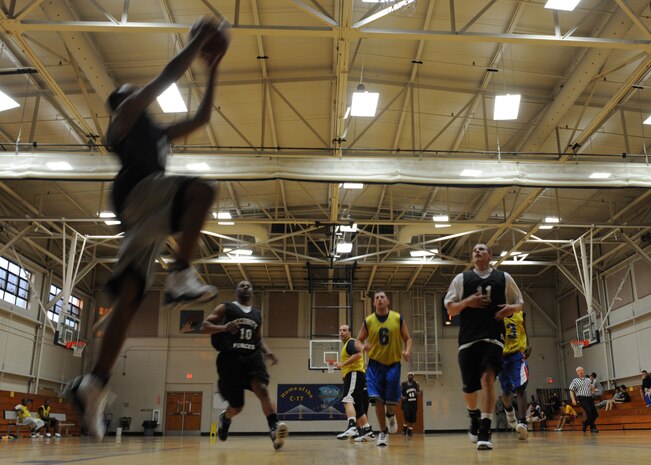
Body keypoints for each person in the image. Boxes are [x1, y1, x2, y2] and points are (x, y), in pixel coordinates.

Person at [64, 16, 227, 440]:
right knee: (203, 191)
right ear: (123, 102)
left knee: (131, 296)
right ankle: (180, 273)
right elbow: (167, 75)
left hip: (143, 215)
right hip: (139, 194)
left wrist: (213, 71)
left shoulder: (158, 133)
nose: (141, 94)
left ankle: (94, 384)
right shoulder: (123, 121)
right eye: (134, 93)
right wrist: (195, 43)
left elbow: (202, 119)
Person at [444, 243, 524, 450]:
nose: (477, 251)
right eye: (474, 250)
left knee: (488, 378)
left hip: (493, 337)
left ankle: (485, 430)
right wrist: (466, 302)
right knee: (470, 389)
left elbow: (519, 304)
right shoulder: (462, 279)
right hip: (468, 339)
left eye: (481, 249)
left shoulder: (503, 277)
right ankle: (473, 415)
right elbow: (450, 306)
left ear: (490, 255)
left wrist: (511, 309)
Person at [200, 280, 288, 450]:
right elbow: (204, 326)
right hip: (230, 359)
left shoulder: (257, 314)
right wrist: (224, 327)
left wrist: (267, 352)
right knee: (237, 406)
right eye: (242, 285)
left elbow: (259, 339)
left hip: (252, 357)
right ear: (236, 291)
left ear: (252, 291)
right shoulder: (225, 308)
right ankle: (225, 419)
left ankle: (274, 427)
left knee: (262, 388)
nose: (246, 287)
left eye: (248, 285)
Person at [355, 290, 412, 447]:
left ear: (387, 301)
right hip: (374, 366)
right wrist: (363, 347)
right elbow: (357, 341)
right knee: (377, 400)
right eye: (377, 298)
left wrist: (407, 351)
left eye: (382, 297)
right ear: (374, 303)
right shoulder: (368, 321)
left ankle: (390, 416)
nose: (379, 300)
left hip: (393, 365)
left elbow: (408, 338)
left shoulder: (397, 318)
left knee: (391, 404)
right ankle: (383, 432)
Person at [334, 324, 374, 442]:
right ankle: (368, 432)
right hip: (353, 375)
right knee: (357, 406)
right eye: (340, 330)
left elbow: (358, 355)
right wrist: (344, 373)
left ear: (350, 332)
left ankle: (352, 427)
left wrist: (342, 365)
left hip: (355, 374)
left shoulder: (351, 342)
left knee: (347, 399)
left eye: (344, 330)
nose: (341, 332)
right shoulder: (347, 345)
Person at [499, 309, 531, 440]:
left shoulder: (520, 313)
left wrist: (528, 344)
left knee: (521, 388)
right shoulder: (497, 313)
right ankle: (509, 410)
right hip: (502, 355)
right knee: (506, 392)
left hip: (518, 354)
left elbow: (524, 328)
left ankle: (523, 422)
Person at [569, 366, 599, 433]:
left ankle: (585, 423)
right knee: (589, 411)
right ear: (577, 373)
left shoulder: (588, 380)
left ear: (583, 371)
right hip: (582, 398)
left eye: (581, 370)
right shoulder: (575, 381)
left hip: (589, 398)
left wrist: (593, 390)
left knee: (595, 414)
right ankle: (592, 428)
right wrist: (573, 399)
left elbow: (592, 388)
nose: (581, 372)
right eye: (579, 371)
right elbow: (571, 390)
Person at [401, 371, 420, 436]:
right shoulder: (404, 384)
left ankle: (410, 430)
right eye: (409, 375)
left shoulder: (416, 384)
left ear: (413, 376)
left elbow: (419, 392)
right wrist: (402, 397)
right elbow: (399, 392)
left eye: (411, 375)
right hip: (406, 403)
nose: (410, 376)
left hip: (414, 403)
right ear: (407, 376)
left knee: (412, 419)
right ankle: (404, 428)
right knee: (406, 417)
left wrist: (417, 393)